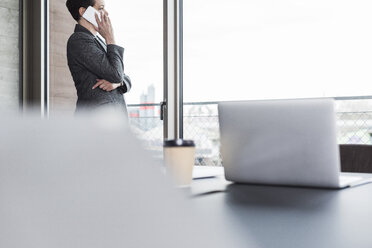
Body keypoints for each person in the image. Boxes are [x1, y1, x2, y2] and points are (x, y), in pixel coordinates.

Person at [66, 0, 131, 114]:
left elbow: (124, 77)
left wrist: (118, 83)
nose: (106, 13)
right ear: (83, 11)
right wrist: (110, 38)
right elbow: (116, 74)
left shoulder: (97, 40)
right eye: (101, 8)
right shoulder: (79, 41)